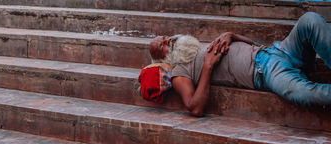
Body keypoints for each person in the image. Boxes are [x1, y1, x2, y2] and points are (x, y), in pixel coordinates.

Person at [139, 12, 331, 116]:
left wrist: (232, 36)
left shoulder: (192, 46)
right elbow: (194, 107)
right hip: (266, 72)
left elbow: (255, 45)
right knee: (303, 93)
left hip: (276, 50)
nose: (168, 41)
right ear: (163, 59)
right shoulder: (179, 71)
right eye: (162, 46)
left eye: (165, 37)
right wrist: (207, 66)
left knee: (310, 20)